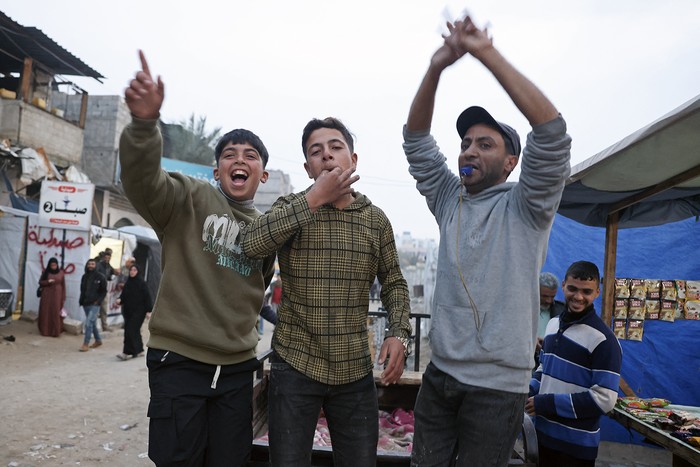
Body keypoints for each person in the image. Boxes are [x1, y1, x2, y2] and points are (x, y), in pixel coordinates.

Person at [402, 14, 571, 466]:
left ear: (512, 161)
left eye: (486, 144)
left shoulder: (527, 207)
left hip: (498, 389)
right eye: (466, 143)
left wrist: (485, 53)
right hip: (439, 379)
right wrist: (437, 67)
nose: (469, 151)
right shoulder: (447, 198)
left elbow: (552, 134)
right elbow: (416, 140)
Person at [119, 50, 276, 466]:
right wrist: (143, 124)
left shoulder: (268, 229)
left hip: (238, 371)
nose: (239, 160)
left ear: (263, 174)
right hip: (179, 363)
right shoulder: (187, 198)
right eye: (229, 154)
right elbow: (140, 179)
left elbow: (259, 287)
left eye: (250, 155)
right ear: (216, 169)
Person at [241, 117, 412, 467]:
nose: (327, 157)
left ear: (353, 159)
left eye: (336, 148)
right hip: (294, 364)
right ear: (308, 168)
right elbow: (252, 244)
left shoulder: (375, 220)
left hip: (354, 369)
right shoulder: (291, 207)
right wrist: (313, 200)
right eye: (316, 152)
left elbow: (394, 282)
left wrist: (399, 333)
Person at [526, 261, 622, 466]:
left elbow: (604, 399)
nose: (578, 297)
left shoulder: (604, 341)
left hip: (575, 449)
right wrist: (529, 391)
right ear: (563, 286)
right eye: (572, 289)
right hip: (541, 436)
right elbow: (544, 369)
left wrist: (546, 403)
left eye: (586, 291)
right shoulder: (553, 326)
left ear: (597, 292)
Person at [115, 264, 152, 361]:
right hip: (128, 311)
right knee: (133, 330)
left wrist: (149, 311)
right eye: (131, 270)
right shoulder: (128, 283)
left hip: (139, 311)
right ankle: (139, 350)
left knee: (130, 330)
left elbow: (147, 297)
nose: (132, 272)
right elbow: (124, 295)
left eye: (134, 270)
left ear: (138, 272)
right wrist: (120, 300)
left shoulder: (141, 283)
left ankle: (127, 352)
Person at [534, 272, 566, 369]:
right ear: (535, 291)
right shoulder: (522, 310)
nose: (549, 301)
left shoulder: (562, 311)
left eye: (552, 296)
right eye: (545, 296)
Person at [78, 258, 107, 352]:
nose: (90, 266)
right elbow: (82, 290)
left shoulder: (100, 277)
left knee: (88, 323)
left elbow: (103, 291)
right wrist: (81, 301)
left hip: (95, 304)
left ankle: (85, 344)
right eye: (89, 264)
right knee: (92, 323)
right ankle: (98, 340)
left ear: (96, 266)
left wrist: (98, 301)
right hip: (86, 304)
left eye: (93, 264)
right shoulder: (84, 277)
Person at [37, 257, 66, 337]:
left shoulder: (61, 273)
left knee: (55, 312)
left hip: (57, 295)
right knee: (46, 312)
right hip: (46, 295)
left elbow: (63, 286)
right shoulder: (45, 272)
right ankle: (45, 331)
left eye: (55, 265)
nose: (53, 266)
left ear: (57, 265)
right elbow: (40, 282)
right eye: (52, 265)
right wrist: (47, 282)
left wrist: (63, 297)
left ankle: (55, 331)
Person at [96, 250, 115, 332]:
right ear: (103, 257)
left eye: (109, 258)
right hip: (97, 290)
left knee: (104, 309)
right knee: (96, 309)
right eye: (106, 257)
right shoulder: (99, 265)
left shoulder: (109, 266)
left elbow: (110, 276)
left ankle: (104, 326)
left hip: (104, 290)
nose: (107, 259)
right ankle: (95, 326)